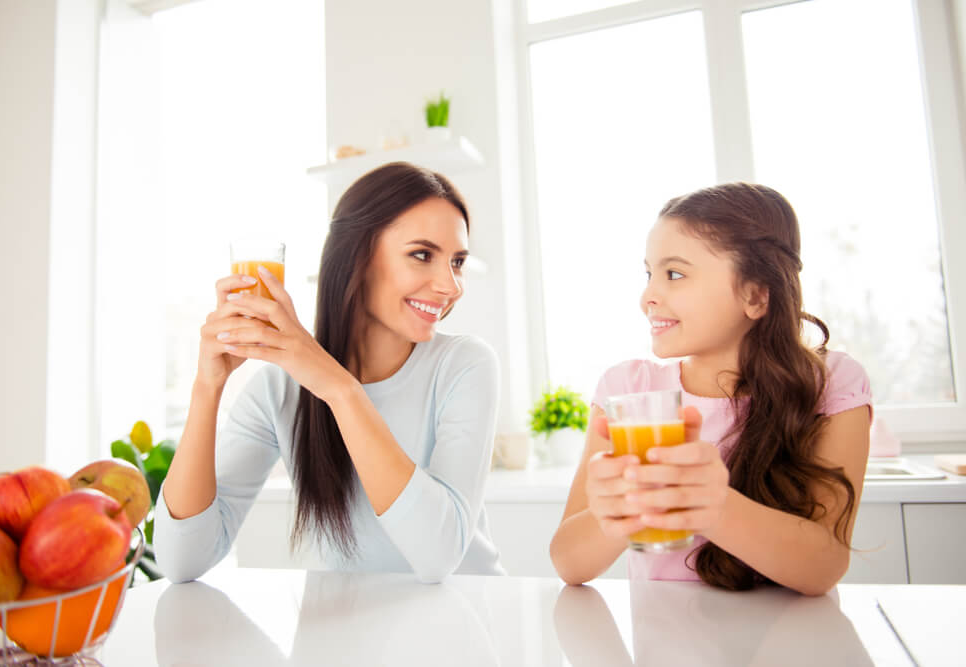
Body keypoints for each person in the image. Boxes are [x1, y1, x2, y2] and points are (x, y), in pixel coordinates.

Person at [155, 162, 506, 584]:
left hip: (466, 623)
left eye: (457, 261)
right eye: (422, 255)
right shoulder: (277, 390)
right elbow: (180, 562)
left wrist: (340, 389)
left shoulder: (465, 366)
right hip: (349, 638)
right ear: (358, 255)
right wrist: (206, 388)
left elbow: (438, 555)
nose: (451, 286)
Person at [550, 183, 871, 595]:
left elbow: (823, 567)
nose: (649, 295)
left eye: (675, 274)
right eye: (649, 274)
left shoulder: (830, 385)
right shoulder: (629, 389)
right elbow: (569, 563)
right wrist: (621, 507)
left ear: (755, 295)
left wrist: (711, 505)